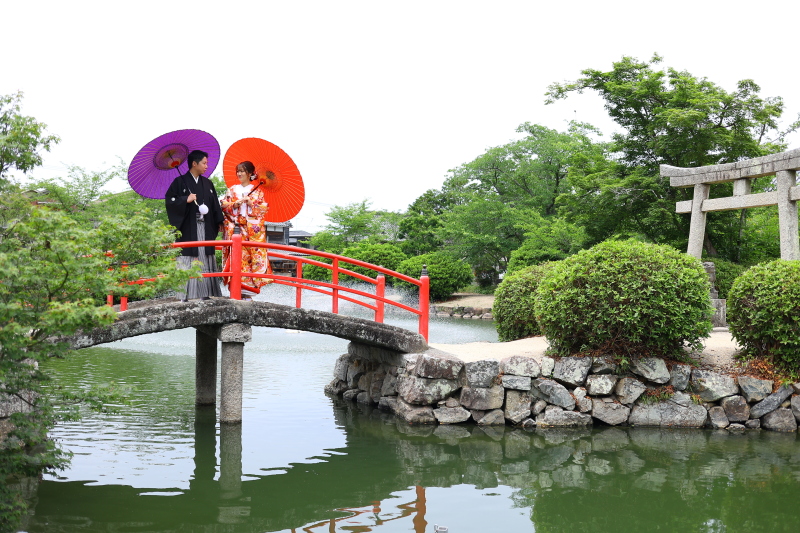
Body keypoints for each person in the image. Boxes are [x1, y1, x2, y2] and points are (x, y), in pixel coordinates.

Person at [164, 149, 225, 300]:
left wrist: (220, 220)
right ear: (194, 163)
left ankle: (206, 293)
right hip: (188, 228)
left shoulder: (208, 183)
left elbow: (215, 205)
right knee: (188, 257)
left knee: (205, 255)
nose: (206, 166)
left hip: (206, 226)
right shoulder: (179, 182)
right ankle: (185, 295)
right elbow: (169, 201)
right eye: (204, 163)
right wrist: (185, 199)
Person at [219, 161, 274, 299]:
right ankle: (236, 290)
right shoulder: (232, 190)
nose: (239, 174)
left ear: (250, 173)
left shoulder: (258, 192)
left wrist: (252, 203)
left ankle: (248, 292)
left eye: (242, 171)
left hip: (251, 233)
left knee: (249, 260)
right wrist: (234, 204)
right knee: (237, 259)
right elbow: (224, 206)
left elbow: (263, 210)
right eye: (238, 171)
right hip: (235, 229)